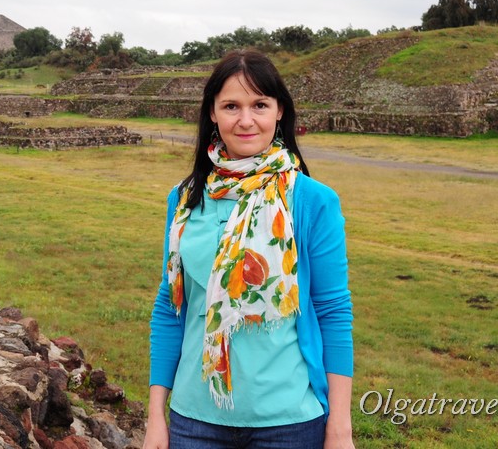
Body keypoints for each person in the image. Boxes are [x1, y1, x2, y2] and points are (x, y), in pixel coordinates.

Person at [144, 50, 354, 449]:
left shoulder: (311, 200)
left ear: (279, 112)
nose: (245, 120)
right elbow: (169, 307)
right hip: (195, 420)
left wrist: (339, 427)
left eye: (259, 104)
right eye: (231, 106)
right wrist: (156, 416)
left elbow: (332, 310)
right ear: (212, 113)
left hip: (290, 421)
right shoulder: (184, 198)